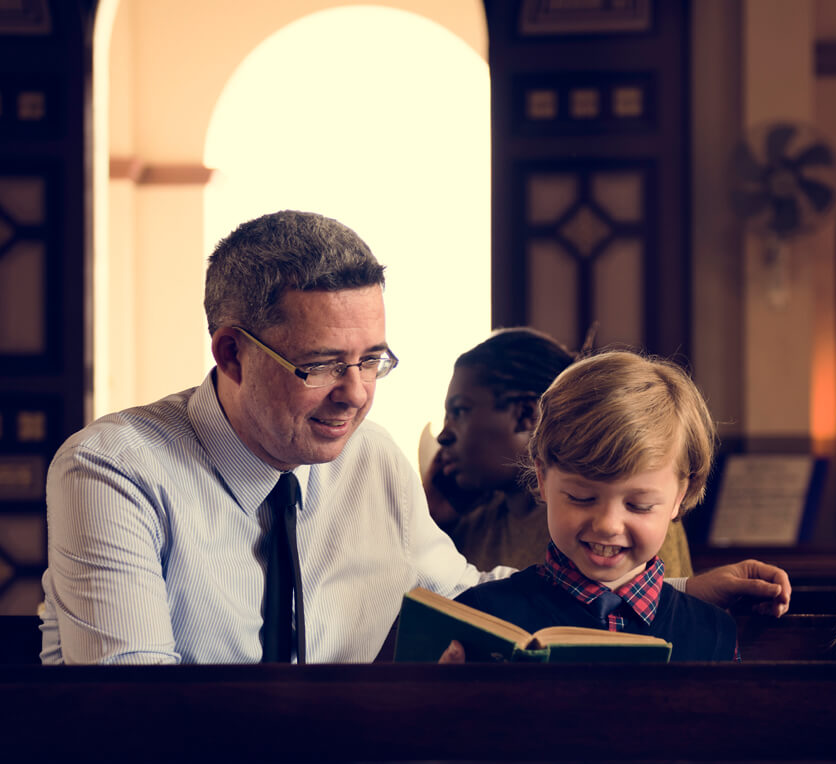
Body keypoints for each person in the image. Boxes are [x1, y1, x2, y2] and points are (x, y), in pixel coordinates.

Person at [38, 210, 789, 665]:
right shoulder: (115, 470)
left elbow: (467, 595)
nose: (357, 395)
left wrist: (676, 592)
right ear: (231, 353)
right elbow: (131, 708)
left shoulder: (369, 456)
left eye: (373, 361)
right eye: (323, 365)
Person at [453, 350, 735, 661]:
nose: (607, 524)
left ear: (680, 497)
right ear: (543, 478)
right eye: (581, 498)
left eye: (639, 505)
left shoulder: (714, 633)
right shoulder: (479, 615)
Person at [426, 328, 693, 576]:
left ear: (526, 414)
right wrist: (433, 523)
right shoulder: (472, 526)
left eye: (459, 411)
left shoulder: (632, 523)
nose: (443, 434)